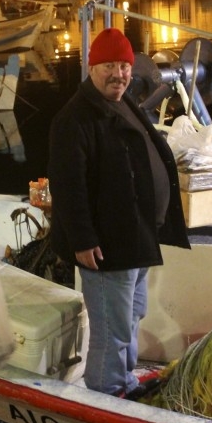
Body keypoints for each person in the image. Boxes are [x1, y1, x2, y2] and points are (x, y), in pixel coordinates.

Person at [48, 28, 190, 397]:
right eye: (109, 65)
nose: (119, 74)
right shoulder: (74, 119)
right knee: (112, 327)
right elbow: (67, 186)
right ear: (92, 68)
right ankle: (106, 392)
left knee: (131, 315)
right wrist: (82, 240)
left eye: (124, 66)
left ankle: (125, 381)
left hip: (134, 238)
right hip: (106, 248)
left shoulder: (122, 101)